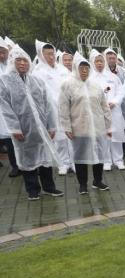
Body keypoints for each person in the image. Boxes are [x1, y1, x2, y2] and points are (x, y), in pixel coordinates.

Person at [0, 45, 63, 200]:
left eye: (25, 60)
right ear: (12, 62)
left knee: (45, 158)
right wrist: (14, 128)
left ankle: (49, 187)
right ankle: (32, 190)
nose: (22, 64)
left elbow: (48, 105)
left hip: (42, 128)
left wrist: (52, 125)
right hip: (22, 129)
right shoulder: (5, 82)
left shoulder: (37, 81)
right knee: (27, 159)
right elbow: (5, 107)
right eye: (18, 60)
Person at [59, 52, 112, 193]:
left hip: (98, 127)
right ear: (75, 68)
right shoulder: (67, 85)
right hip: (79, 128)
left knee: (99, 155)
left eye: (86, 68)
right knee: (81, 156)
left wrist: (108, 125)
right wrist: (67, 127)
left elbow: (104, 106)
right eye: (81, 68)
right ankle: (83, 184)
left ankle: (98, 181)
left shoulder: (95, 85)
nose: (84, 71)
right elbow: (63, 108)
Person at [33, 40, 72, 175]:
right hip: (51, 109)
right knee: (59, 138)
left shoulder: (62, 69)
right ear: (41, 55)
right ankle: (62, 163)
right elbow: (40, 93)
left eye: (52, 53)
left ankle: (73, 162)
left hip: (67, 107)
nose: (51, 57)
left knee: (70, 135)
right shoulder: (37, 72)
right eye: (48, 54)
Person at [89, 50, 125, 171]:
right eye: (97, 61)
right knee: (103, 137)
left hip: (114, 110)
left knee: (116, 135)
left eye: (101, 61)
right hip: (99, 112)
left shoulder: (113, 77)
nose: (99, 64)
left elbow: (121, 92)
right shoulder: (90, 78)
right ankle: (106, 161)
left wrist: (114, 102)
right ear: (92, 62)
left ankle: (118, 160)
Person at [105, 47, 125, 159]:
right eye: (109, 57)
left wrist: (120, 98)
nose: (112, 59)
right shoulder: (103, 71)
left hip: (123, 101)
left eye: (113, 57)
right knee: (109, 125)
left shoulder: (123, 71)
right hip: (108, 103)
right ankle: (109, 151)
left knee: (123, 124)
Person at [0, 36, 19, 177]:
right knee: (8, 138)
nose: (1, 55)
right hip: (2, 109)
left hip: (17, 106)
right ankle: (15, 166)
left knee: (20, 137)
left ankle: (29, 165)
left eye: (3, 52)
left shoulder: (13, 66)